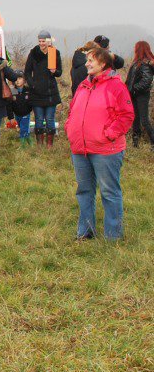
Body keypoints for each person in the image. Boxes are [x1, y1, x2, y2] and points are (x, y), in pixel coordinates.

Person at [66, 47, 134, 241]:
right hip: (80, 148)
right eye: (87, 60)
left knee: (109, 192)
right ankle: (85, 232)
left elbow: (126, 115)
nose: (86, 63)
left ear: (103, 63)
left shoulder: (116, 86)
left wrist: (109, 134)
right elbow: (73, 110)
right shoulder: (83, 85)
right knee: (84, 191)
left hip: (106, 149)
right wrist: (70, 129)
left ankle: (113, 236)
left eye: (91, 60)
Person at [23, 31, 63, 148]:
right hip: (36, 92)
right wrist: (32, 84)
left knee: (50, 118)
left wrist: (54, 71)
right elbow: (27, 71)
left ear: (49, 41)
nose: (41, 43)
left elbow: (59, 72)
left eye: (43, 41)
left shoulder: (54, 53)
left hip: (51, 92)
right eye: (40, 41)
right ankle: (39, 145)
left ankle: (49, 145)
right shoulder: (33, 53)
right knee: (39, 119)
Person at [126, 40, 154, 147]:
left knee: (144, 120)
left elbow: (146, 81)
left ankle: (153, 142)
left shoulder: (145, 64)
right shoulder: (136, 63)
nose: (134, 49)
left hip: (141, 95)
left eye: (135, 47)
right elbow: (131, 79)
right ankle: (135, 143)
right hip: (134, 94)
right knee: (135, 118)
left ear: (139, 49)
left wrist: (133, 89)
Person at [9, 72, 33, 148]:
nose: (17, 81)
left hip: (26, 114)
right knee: (22, 129)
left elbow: (32, 101)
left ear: (24, 80)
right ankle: (30, 143)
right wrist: (11, 116)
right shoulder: (13, 91)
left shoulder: (28, 90)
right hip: (17, 114)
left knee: (23, 129)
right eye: (16, 79)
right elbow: (9, 104)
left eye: (19, 78)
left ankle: (23, 147)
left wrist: (29, 109)